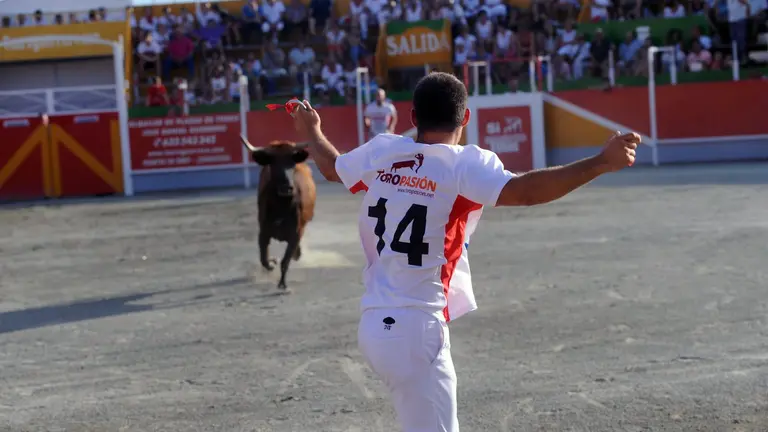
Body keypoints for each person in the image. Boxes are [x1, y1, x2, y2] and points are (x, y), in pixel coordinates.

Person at [290, 72, 640, 432]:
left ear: (412, 117)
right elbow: (526, 191)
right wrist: (600, 162)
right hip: (416, 329)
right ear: (466, 117)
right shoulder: (464, 164)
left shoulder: (384, 150)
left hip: (374, 324)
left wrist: (312, 131)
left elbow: (333, 168)